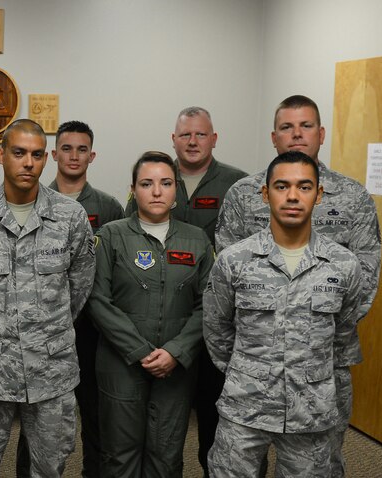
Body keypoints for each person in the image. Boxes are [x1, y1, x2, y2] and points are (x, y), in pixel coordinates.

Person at [216, 95, 381, 477]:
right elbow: (223, 287)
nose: (296, 134)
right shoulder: (244, 193)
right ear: (274, 136)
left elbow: (365, 279)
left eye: (305, 126)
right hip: (253, 362)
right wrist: (247, 356)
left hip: (323, 365)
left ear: (321, 134)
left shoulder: (352, 195)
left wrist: (311, 331)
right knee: (238, 463)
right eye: (287, 127)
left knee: (320, 463)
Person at [0, 119, 95, 477]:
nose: (28, 162)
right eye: (19, 153)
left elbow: (80, 287)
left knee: (49, 468)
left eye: (37, 154)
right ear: (1, 155)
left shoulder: (70, 217)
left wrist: (44, 329)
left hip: (50, 368)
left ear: (47, 159)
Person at [124, 107, 246, 477]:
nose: (193, 142)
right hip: (164, 315)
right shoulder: (155, 178)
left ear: (214, 138)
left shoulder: (236, 184)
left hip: (217, 318)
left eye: (201, 134)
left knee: (214, 412)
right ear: (173, 139)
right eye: (185, 135)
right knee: (154, 418)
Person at [88, 151, 213, 478]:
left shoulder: (197, 240)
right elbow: (97, 300)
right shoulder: (111, 236)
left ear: (176, 190)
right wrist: (141, 351)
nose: (156, 191)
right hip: (120, 364)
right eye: (147, 183)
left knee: (166, 455)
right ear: (133, 189)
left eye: (165, 183)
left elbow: (209, 304)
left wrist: (176, 351)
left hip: (176, 366)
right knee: (119, 456)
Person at [17, 119, 122, 478]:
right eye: (66, 148)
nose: (74, 156)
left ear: (92, 155)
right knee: (36, 414)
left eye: (81, 149)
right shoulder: (30, 199)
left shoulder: (109, 208)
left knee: (95, 412)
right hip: (42, 330)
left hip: (91, 328)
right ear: (53, 154)